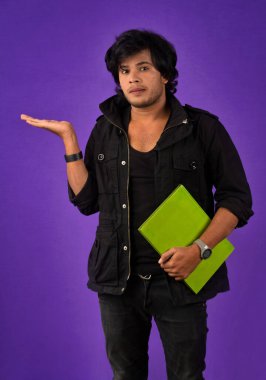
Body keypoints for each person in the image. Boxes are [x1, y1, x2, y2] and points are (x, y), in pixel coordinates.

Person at [21, 29, 253, 380]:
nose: (133, 78)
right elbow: (86, 202)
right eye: (125, 70)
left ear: (165, 74)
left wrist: (200, 249)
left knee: (187, 376)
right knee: (125, 375)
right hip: (117, 280)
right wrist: (70, 140)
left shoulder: (203, 128)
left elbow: (237, 199)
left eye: (143, 68)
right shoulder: (105, 129)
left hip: (180, 280)